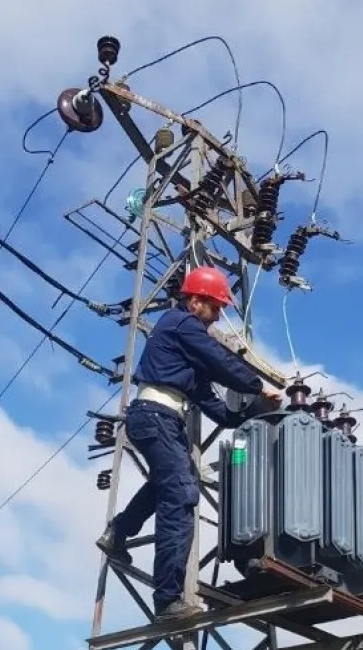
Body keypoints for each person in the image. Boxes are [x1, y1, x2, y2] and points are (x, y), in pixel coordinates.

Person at [96, 266, 282, 621]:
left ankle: (118, 533)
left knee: (164, 486)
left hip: (161, 420)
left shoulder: (185, 346)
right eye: (215, 308)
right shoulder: (181, 324)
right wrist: (258, 387)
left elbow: (206, 397)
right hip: (154, 415)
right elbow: (219, 360)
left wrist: (242, 417)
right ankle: (168, 600)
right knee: (181, 493)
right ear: (196, 301)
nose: (216, 318)